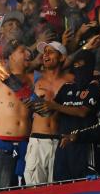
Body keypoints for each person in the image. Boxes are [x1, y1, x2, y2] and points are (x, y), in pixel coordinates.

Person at [48, 49, 100, 181]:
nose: (78, 68)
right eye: (75, 65)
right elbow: (50, 109)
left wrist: (56, 106)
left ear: (89, 66)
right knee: (61, 185)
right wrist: (37, 104)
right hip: (64, 145)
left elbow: (83, 111)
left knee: (85, 185)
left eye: (81, 65)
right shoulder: (66, 87)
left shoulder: (95, 87)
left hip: (84, 144)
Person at [0, 40, 33, 189]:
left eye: (28, 52)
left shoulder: (34, 79)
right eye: (22, 51)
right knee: (2, 192)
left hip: (27, 142)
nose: (28, 54)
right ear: (11, 57)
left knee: (26, 190)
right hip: (3, 142)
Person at [24, 41, 70, 184]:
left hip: (61, 141)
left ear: (62, 57)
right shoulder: (33, 77)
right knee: (34, 191)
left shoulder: (71, 79)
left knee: (58, 190)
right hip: (38, 139)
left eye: (50, 51)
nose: (45, 55)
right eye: (44, 52)